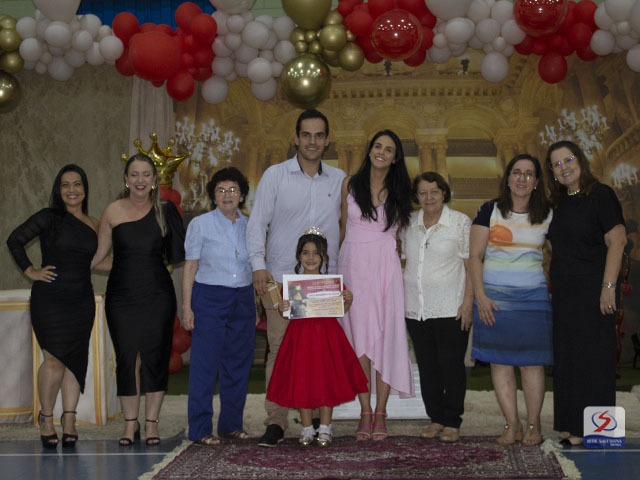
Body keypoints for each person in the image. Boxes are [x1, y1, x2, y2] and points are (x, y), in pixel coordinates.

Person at [246, 109, 346, 447]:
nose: (312, 141)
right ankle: (276, 420)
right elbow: (257, 223)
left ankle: (316, 417)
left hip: (321, 284)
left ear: (327, 140)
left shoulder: (339, 180)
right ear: (296, 138)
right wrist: (258, 266)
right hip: (280, 279)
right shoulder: (275, 176)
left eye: (319, 135)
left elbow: (348, 228)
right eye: (306, 135)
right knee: (279, 350)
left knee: (318, 353)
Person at [7, 164, 108, 449]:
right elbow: (14, 240)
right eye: (65, 185)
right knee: (53, 360)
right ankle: (46, 418)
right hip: (50, 299)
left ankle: (70, 420)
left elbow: (97, 261)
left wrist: (140, 263)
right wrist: (31, 271)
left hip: (81, 300)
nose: (72, 190)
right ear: (58, 189)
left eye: (77, 184)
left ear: (85, 189)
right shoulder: (49, 217)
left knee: (75, 360)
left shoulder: (95, 223)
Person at [92, 153, 185, 446]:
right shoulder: (112, 211)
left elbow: (178, 255)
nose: (140, 180)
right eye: (134, 174)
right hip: (121, 297)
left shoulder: (165, 211)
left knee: (155, 358)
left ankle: (151, 424)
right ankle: (129, 424)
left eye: (146, 174)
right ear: (125, 179)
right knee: (127, 358)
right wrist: (64, 265)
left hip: (158, 295)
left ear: (154, 180)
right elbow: (97, 257)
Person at [545, 141, 626, 447]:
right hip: (564, 295)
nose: (564, 167)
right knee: (568, 360)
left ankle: (599, 432)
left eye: (568, 160)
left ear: (580, 161)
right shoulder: (557, 204)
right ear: (552, 172)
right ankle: (573, 428)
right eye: (556, 164)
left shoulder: (601, 194)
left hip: (595, 291)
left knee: (595, 360)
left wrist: (608, 288)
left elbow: (617, 241)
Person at [469, 154, 553, 446]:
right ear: (507, 177)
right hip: (494, 300)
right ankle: (512, 424)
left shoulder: (549, 214)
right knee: (500, 363)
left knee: (532, 364)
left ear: (537, 182)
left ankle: (533, 424)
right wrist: (481, 296)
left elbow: (565, 252)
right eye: (516, 172)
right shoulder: (489, 211)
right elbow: (475, 257)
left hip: (533, 301)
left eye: (529, 174)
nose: (522, 178)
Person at [337, 129, 414, 441]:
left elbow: (401, 234)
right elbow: (343, 228)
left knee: (384, 338)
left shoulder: (401, 190)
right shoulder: (349, 184)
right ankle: (365, 410)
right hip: (352, 264)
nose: (381, 152)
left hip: (384, 267)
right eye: (377, 146)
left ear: (395, 158)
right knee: (358, 338)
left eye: (389, 149)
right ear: (369, 150)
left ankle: (381, 411)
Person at [267, 229, 367, 446]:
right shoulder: (292, 285)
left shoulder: (331, 283)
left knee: (325, 380)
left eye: (316, 253)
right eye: (305, 253)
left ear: (324, 257)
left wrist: (347, 300)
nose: (310, 257)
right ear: (299, 256)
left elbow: (341, 310)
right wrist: (283, 308)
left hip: (326, 338)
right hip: (300, 338)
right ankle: (306, 428)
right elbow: (287, 313)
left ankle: (325, 427)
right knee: (302, 379)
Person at [181, 167, 255, 446]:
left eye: (233, 190)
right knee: (205, 365)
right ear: (213, 196)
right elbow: (190, 267)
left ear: (242, 195)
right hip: (209, 297)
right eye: (221, 190)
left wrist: (256, 305)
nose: (227, 195)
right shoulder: (200, 224)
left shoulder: (251, 225)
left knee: (238, 364)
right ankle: (200, 429)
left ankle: (230, 425)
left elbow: (255, 266)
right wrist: (187, 307)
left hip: (243, 298)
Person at [400, 172, 473, 443]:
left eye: (434, 191)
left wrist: (468, 302)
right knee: (427, 366)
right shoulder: (408, 224)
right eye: (423, 192)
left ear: (444, 193)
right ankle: (436, 418)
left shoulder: (460, 222)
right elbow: (403, 260)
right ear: (416, 196)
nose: (429, 197)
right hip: (416, 309)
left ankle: (452, 421)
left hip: (451, 307)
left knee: (451, 366)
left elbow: (471, 266)